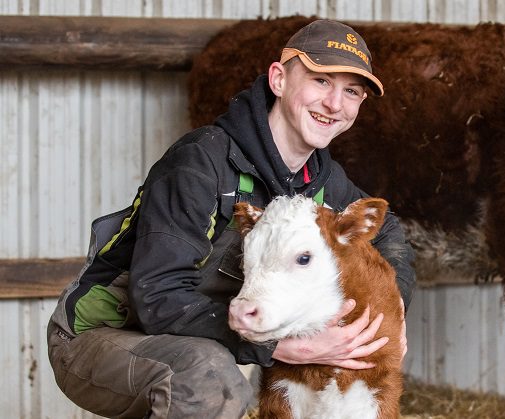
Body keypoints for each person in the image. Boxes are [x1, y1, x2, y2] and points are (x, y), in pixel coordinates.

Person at [47, 19, 416, 418]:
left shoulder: (322, 183)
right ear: (279, 79)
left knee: (212, 369)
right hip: (103, 335)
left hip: (198, 339)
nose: (334, 104)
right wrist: (280, 347)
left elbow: (389, 233)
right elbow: (157, 294)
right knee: (212, 381)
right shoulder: (201, 163)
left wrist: (392, 309)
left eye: (351, 92)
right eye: (321, 81)